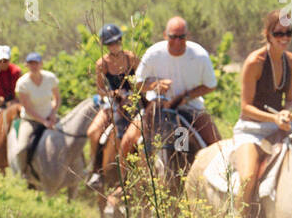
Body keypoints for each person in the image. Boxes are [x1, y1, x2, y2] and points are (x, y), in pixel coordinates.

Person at [232, 9, 292, 218]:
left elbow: (289, 99)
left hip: (279, 125)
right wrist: (274, 117)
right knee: (248, 178)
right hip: (251, 129)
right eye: (279, 33)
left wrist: (287, 112)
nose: (285, 38)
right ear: (268, 34)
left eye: (289, 33)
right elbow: (245, 107)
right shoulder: (255, 62)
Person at [125, 16, 220, 156]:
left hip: (189, 108)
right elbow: (137, 84)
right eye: (173, 37)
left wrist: (187, 97)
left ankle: (217, 175)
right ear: (165, 35)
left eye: (181, 37)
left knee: (216, 146)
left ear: (188, 36)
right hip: (156, 109)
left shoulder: (199, 55)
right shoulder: (154, 53)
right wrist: (154, 85)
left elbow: (210, 85)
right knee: (127, 141)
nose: (177, 41)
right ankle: (114, 176)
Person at [86, 24, 139, 190]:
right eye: (110, 43)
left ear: (121, 41)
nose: (114, 46)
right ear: (105, 45)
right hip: (113, 102)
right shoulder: (102, 63)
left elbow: (142, 80)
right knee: (93, 132)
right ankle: (95, 171)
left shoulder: (132, 58)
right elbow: (100, 90)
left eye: (116, 42)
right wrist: (114, 93)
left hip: (133, 100)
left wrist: (133, 94)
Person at [14, 53, 61, 177]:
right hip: (31, 120)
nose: (34, 66)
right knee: (22, 149)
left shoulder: (50, 78)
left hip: (50, 117)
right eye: (31, 64)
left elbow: (57, 98)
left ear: (41, 64)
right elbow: (27, 108)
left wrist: (52, 114)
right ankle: (24, 172)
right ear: (27, 65)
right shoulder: (22, 83)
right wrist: (43, 121)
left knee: (71, 137)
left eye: (36, 63)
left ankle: (82, 168)